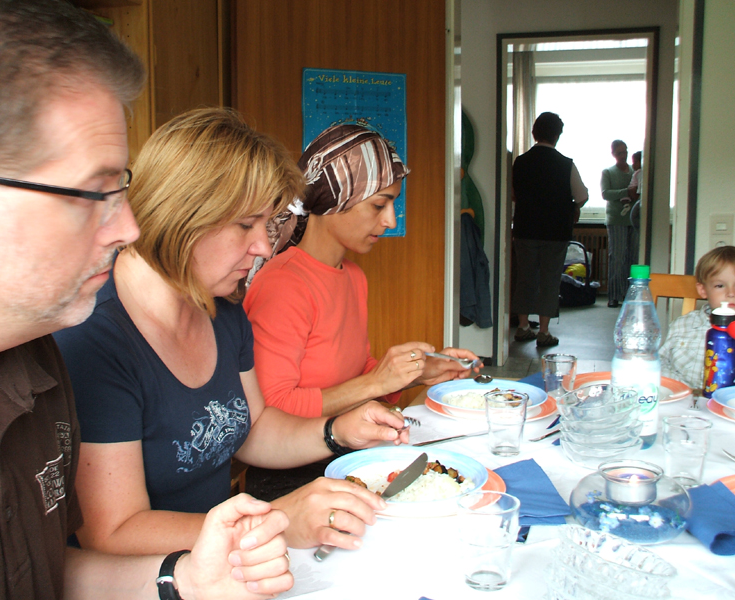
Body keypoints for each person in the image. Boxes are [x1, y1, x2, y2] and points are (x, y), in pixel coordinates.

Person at [0, 3, 292, 599]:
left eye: (120, 191)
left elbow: (47, 574)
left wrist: (185, 579)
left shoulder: (36, 367)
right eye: (93, 195)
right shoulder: (88, 342)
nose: (129, 228)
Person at [53, 108, 412, 560]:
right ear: (182, 214)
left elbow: (253, 428)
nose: (262, 246)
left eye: (266, 224)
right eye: (246, 225)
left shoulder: (222, 308)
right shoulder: (96, 339)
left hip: (221, 561)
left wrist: (337, 432)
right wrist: (274, 521)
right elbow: (113, 531)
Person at [243, 123, 480, 418]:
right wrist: (375, 382)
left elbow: (356, 374)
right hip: (305, 448)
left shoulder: (354, 277)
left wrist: (419, 370)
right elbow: (271, 408)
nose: (391, 221)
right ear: (334, 200)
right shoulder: (282, 285)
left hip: (348, 439)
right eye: (379, 205)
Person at [509, 112, 589, 348]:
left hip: (524, 229)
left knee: (525, 278)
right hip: (555, 232)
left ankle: (523, 326)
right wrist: (572, 206)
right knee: (550, 280)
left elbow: (513, 193)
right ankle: (543, 332)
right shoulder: (565, 164)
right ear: (557, 135)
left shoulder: (520, 162)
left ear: (534, 133)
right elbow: (582, 195)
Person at [660, 246, 735, 390]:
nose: (731, 293)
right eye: (720, 286)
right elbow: (661, 362)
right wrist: (682, 390)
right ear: (703, 290)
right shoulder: (682, 325)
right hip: (684, 396)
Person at [601, 140, 637, 308]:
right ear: (614, 154)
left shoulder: (635, 172)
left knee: (633, 258)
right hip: (616, 219)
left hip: (634, 219)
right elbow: (605, 194)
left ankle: (631, 295)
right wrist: (626, 192)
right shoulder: (608, 172)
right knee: (617, 257)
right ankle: (614, 295)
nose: (623, 155)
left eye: (625, 152)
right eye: (620, 153)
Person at [628, 151, 643, 230]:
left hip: (639, 197)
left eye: (635, 162)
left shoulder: (640, 173)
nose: (633, 165)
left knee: (634, 217)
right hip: (632, 193)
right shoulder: (637, 173)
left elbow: (640, 188)